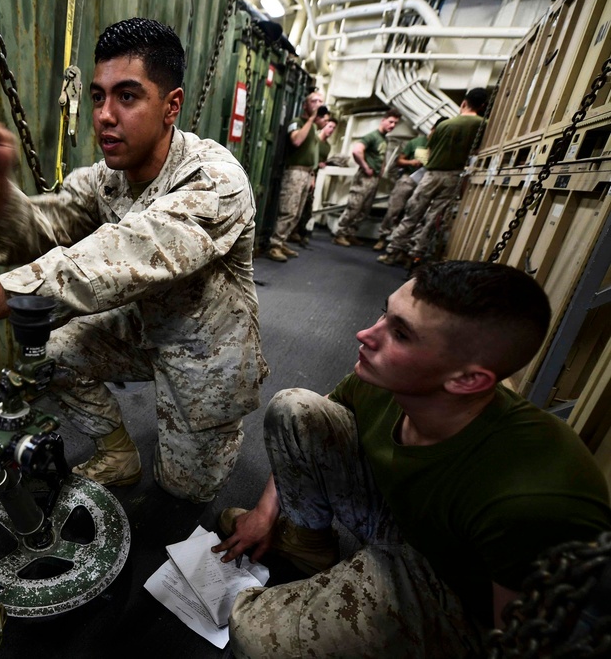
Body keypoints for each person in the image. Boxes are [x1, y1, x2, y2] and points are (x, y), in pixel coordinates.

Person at [0, 18, 267, 504]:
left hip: (205, 351)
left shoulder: (215, 180)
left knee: (183, 491)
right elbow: (43, 229)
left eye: (127, 96)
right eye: (97, 97)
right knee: (52, 348)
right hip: (141, 328)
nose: (105, 115)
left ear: (171, 106)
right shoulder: (107, 178)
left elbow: (124, 252)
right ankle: (118, 454)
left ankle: (209, 437)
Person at [211, 260, 611, 657]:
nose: (366, 334)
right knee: (296, 408)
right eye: (385, 313)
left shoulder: (534, 499)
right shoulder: (391, 380)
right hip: (405, 520)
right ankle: (307, 543)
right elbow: (316, 422)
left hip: (450, 587)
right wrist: (265, 512)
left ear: (467, 380)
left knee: (253, 636)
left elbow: (515, 641)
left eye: (400, 333)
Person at [379, 88, 489, 267]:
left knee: (412, 214)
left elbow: (429, 151)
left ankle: (393, 252)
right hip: (454, 177)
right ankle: (415, 257)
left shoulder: (444, 125)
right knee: (433, 220)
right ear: (483, 106)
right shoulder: (484, 125)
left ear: (463, 103)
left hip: (431, 176)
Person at [265, 90, 324, 262]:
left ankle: (282, 241)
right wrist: (311, 119)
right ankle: (275, 245)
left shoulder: (314, 128)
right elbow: (296, 140)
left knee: (297, 213)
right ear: (305, 105)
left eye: (321, 101)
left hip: (307, 173)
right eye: (314, 101)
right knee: (288, 210)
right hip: (295, 172)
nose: (318, 104)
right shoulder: (297, 123)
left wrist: (312, 176)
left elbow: (313, 153)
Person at [372, 117, 444, 251]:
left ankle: (404, 244)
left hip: (425, 181)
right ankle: (383, 237)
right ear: (432, 129)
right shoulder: (416, 142)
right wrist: (411, 162)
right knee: (394, 209)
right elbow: (399, 160)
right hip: (409, 177)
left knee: (416, 213)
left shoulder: (440, 147)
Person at [332, 109, 401, 247]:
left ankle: (350, 233)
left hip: (374, 178)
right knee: (354, 207)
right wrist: (365, 167)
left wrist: (381, 170)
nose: (393, 125)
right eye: (391, 122)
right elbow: (356, 151)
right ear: (383, 120)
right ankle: (339, 234)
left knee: (365, 209)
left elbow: (381, 156)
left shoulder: (384, 139)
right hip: (364, 177)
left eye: (395, 123)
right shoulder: (372, 136)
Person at [290, 116, 338, 249]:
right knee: (293, 206)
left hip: (313, 176)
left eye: (334, 128)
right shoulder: (314, 139)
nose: (331, 130)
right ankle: (290, 233)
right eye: (329, 126)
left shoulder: (327, 147)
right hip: (304, 173)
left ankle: (296, 232)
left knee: (305, 207)